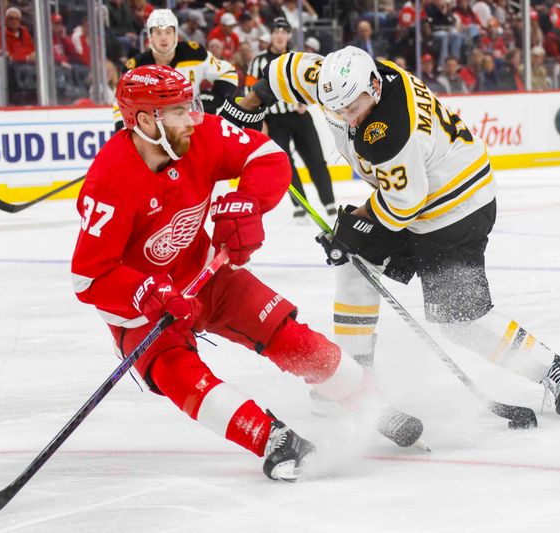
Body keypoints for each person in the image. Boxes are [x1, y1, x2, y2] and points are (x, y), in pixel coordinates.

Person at [72, 64, 423, 482]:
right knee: (177, 374)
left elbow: (268, 156)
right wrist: (145, 292)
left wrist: (249, 203)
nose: (193, 119)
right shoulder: (109, 182)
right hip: (143, 306)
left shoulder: (201, 136)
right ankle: (271, 438)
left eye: (192, 107)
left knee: (285, 333)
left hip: (208, 274)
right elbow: (89, 277)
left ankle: (371, 403)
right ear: (146, 120)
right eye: (181, 111)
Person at [222, 45, 560, 420]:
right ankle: (356, 382)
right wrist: (250, 104)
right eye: (337, 110)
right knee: (355, 264)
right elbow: (284, 70)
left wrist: (356, 222)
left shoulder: (391, 128)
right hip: (418, 197)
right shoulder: (335, 81)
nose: (347, 118)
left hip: (456, 209)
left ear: (374, 86)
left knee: (459, 321)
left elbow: (404, 202)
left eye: (353, 109)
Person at [245, 17, 336, 220]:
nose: (279, 35)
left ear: (288, 35)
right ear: (271, 35)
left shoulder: (298, 58)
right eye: (276, 31)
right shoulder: (258, 61)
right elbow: (249, 92)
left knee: (316, 159)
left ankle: (329, 203)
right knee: (285, 164)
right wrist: (260, 122)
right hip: (273, 120)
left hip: (299, 116)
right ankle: (300, 206)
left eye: (283, 31)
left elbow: (313, 85)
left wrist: (306, 101)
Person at [117, 9, 238, 129]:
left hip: (191, 124)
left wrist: (215, 99)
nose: (163, 38)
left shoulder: (194, 53)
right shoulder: (136, 68)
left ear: (176, 34)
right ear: (150, 36)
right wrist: (122, 129)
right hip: (155, 131)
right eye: (158, 33)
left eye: (168, 32)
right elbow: (120, 102)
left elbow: (228, 72)